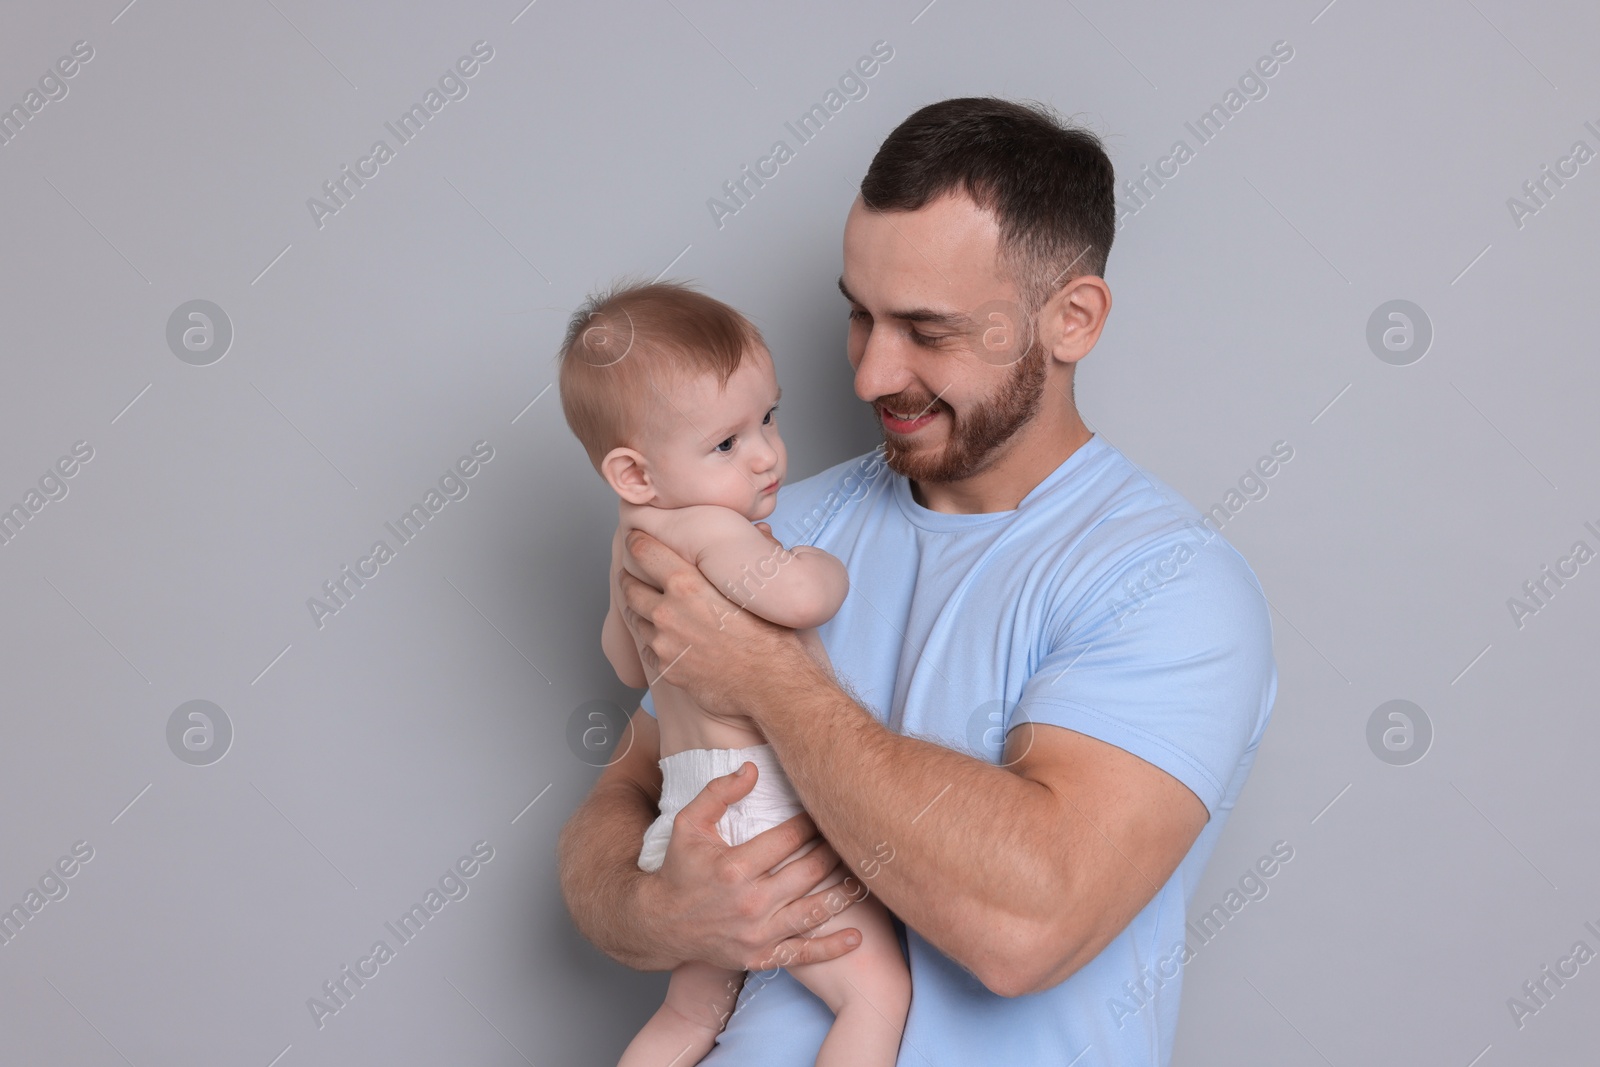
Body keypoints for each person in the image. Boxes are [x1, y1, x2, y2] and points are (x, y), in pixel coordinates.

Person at [558, 97, 1278, 1065]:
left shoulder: (1169, 584)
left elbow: (1027, 925)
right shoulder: (774, 522)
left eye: (926, 331)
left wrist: (769, 676)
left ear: (1071, 319)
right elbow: (623, 798)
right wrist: (660, 905)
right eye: (859, 315)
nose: (867, 374)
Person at [556, 281, 911, 1066]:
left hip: (687, 818)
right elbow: (796, 594)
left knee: (689, 1017)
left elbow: (622, 658)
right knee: (875, 996)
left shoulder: (630, 551)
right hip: (762, 807)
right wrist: (819, 565)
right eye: (726, 443)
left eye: (769, 418)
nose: (766, 454)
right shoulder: (715, 528)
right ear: (635, 474)